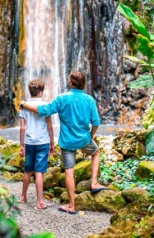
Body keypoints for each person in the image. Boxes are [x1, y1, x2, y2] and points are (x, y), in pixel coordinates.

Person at [20, 71, 107, 214]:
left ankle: (72, 205)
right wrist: (91, 136)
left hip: (67, 141)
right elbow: (96, 122)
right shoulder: (89, 100)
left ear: (70, 82)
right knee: (96, 153)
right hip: (84, 139)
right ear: (83, 84)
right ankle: (94, 183)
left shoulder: (62, 99)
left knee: (69, 171)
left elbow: (43, 110)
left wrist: (24, 104)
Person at [19, 79, 54, 210]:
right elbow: (49, 126)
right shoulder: (45, 105)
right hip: (42, 142)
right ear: (40, 92)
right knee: (39, 171)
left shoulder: (24, 106)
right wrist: (52, 142)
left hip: (29, 142)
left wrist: (21, 145)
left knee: (28, 170)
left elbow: (22, 128)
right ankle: (40, 202)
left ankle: (23, 197)